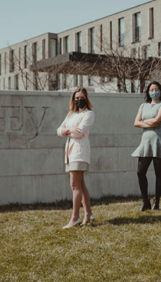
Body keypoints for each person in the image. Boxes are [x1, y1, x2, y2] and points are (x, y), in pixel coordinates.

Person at [57, 87, 95, 228]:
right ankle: (88, 213)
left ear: (86, 98)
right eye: (76, 98)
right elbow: (59, 130)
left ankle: (75, 217)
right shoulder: (71, 115)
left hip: (79, 152)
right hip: (70, 153)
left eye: (81, 97)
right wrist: (68, 130)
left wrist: (68, 131)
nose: (79, 100)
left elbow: (79, 133)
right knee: (80, 184)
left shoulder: (89, 114)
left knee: (74, 185)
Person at [132, 81, 161, 211]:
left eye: (156, 88)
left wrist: (144, 122)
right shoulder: (143, 106)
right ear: (148, 92)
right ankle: (145, 200)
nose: (154, 91)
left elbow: (157, 121)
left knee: (159, 172)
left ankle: (157, 201)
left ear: (160, 90)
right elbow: (136, 123)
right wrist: (149, 123)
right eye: (151, 89)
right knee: (140, 172)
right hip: (145, 142)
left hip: (159, 141)